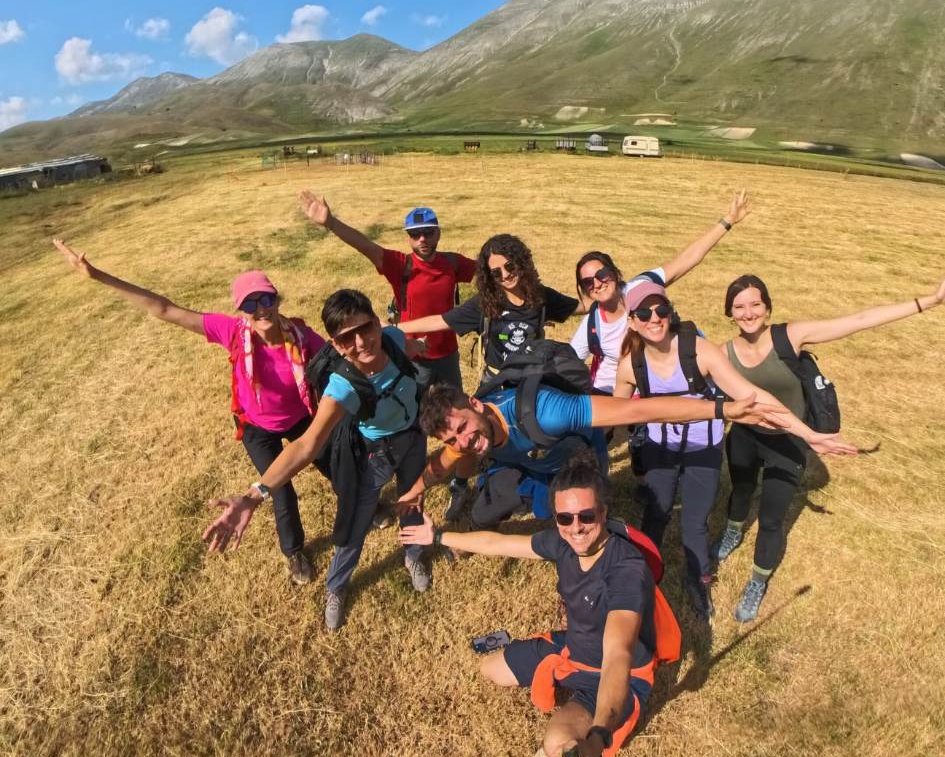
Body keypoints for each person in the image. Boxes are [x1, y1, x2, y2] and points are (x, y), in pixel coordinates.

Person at [53, 239, 324, 585]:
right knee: (279, 489)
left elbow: (343, 358)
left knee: (336, 460)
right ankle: (295, 552)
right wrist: (98, 276)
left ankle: (366, 504)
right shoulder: (232, 332)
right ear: (241, 310)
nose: (260, 309)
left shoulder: (302, 336)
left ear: (277, 299)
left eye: (266, 299)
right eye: (250, 304)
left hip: (301, 416)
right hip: (258, 427)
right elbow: (165, 309)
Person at [399, 449, 681, 757]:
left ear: (603, 513)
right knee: (489, 669)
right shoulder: (563, 543)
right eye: (565, 518)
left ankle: (579, 716)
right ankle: (563, 686)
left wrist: (599, 735)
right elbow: (497, 543)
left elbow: (618, 655)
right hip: (572, 650)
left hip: (612, 674)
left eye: (586, 516)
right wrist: (438, 536)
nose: (576, 528)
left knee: (558, 748)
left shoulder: (626, 570)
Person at [612, 281, 857, 618]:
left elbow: (753, 397)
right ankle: (642, 576)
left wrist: (808, 434)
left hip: (703, 449)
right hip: (660, 448)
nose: (654, 318)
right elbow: (614, 411)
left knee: (695, 522)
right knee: (656, 512)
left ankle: (698, 580)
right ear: (631, 320)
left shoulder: (699, 351)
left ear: (670, 313)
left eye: (661, 310)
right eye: (644, 312)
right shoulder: (630, 365)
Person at [715, 273, 945, 623]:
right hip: (745, 439)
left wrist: (927, 301)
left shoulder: (790, 336)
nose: (748, 313)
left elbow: (857, 321)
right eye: (739, 306)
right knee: (741, 490)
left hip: (789, 443)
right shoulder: (723, 353)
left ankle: (758, 581)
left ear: (767, 306)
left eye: (755, 304)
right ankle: (733, 529)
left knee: (773, 519)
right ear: (729, 312)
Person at [202, 290, 430, 630]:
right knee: (354, 524)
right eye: (346, 338)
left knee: (412, 502)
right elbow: (306, 445)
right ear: (335, 346)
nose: (361, 342)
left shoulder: (393, 340)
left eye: (365, 329)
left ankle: (414, 556)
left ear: (378, 323)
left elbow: (408, 350)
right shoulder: (342, 388)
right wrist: (255, 495)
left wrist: (419, 349)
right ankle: (336, 587)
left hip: (414, 438)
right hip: (375, 456)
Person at [398, 376, 788, 531]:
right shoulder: (465, 443)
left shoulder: (547, 413)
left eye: (463, 427)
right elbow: (441, 465)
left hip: (574, 461)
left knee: (575, 524)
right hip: (530, 464)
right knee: (483, 513)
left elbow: (640, 409)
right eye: (452, 438)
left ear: (475, 404)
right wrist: (416, 489)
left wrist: (722, 410)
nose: (463, 441)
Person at [298, 192, 477, 520]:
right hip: (412, 360)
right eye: (415, 234)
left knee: (459, 412)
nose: (423, 239)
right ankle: (404, 480)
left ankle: (462, 473)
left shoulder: (453, 263)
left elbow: (486, 276)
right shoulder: (401, 265)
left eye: (429, 232)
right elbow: (365, 246)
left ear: (438, 232)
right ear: (408, 238)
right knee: (412, 422)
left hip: (447, 355)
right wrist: (331, 222)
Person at [571, 190, 752, 394]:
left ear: (614, 272)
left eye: (602, 274)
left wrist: (728, 221)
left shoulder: (641, 286)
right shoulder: (593, 323)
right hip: (611, 396)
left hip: (655, 392)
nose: (597, 283)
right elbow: (570, 360)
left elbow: (687, 260)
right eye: (587, 282)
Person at [395, 234, 579, 388]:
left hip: (532, 380)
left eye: (509, 266)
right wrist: (395, 328)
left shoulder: (541, 296)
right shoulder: (485, 303)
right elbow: (440, 321)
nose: (505, 275)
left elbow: (582, 307)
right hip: (496, 381)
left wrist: (601, 293)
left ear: (521, 262)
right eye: (496, 273)